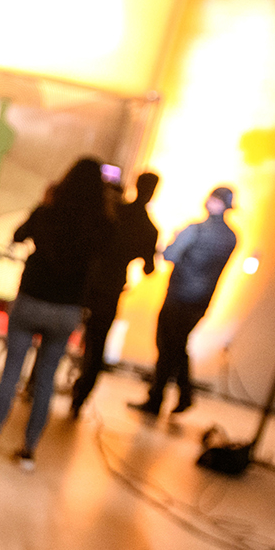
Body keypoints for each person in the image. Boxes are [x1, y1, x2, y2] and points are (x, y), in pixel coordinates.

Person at [0, 157, 115, 471]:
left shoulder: (48, 211)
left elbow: (17, 235)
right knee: (45, 382)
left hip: (31, 300)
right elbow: (105, 258)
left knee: (11, 374)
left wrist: (45, 204)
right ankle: (28, 453)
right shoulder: (102, 223)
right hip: (66, 308)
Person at [132, 185, 237, 416]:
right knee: (177, 346)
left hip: (178, 297)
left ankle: (158, 399)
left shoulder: (195, 230)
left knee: (168, 346)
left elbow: (169, 255)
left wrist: (174, 239)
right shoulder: (231, 237)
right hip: (201, 302)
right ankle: (183, 394)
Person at [70, 170, 160, 417]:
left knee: (59, 334)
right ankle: (79, 398)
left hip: (89, 284)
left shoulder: (115, 213)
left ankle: (36, 384)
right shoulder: (149, 229)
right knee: (96, 349)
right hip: (110, 291)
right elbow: (149, 268)